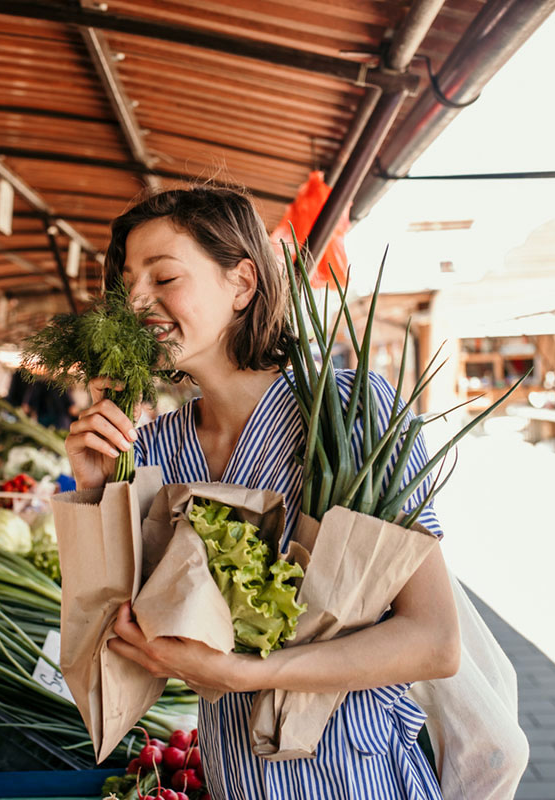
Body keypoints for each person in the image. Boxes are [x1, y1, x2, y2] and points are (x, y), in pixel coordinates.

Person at [66, 187, 457, 799]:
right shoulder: (157, 448)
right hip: (236, 777)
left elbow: (434, 641)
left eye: (164, 277)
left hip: (357, 776)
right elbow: (111, 654)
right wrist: (96, 489)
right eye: (126, 284)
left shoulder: (349, 410)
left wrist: (245, 673)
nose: (136, 301)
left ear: (243, 283)